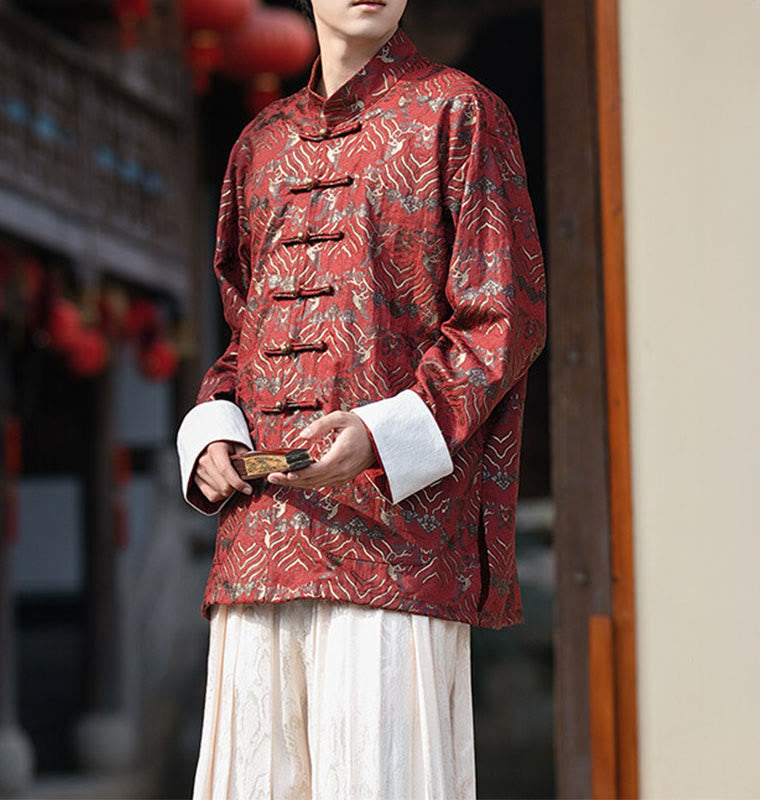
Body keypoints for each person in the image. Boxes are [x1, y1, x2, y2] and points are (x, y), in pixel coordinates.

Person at [176, 0, 546, 796]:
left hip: (395, 546)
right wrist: (211, 435)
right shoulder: (260, 144)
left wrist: (381, 437)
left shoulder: (460, 114)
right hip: (261, 546)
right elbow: (244, 334)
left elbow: (501, 321)